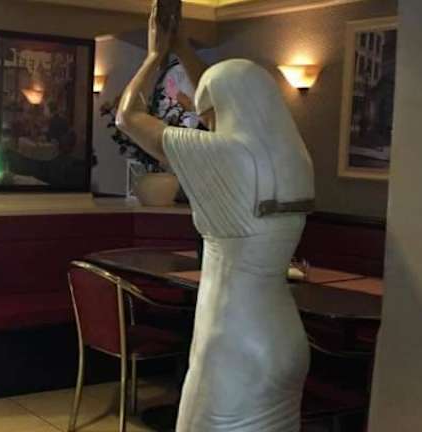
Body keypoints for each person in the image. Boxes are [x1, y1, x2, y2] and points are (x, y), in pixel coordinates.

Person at [116, 1, 315, 431]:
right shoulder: (296, 159)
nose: (210, 117)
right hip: (284, 335)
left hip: (233, 332)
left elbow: (128, 118)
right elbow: (217, 110)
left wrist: (155, 55)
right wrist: (184, 49)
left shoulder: (226, 157)